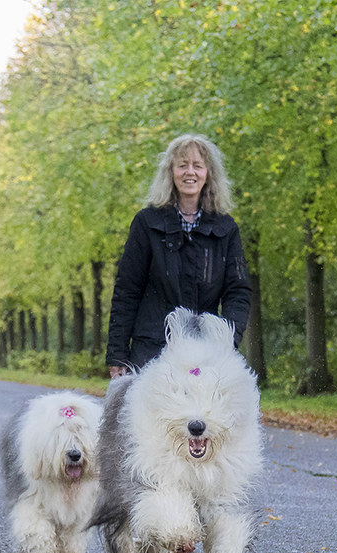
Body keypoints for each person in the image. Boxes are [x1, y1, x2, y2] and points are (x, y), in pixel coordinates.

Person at [106, 133, 252, 377]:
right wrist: (117, 354)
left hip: (206, 352)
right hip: (152, 350)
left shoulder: (226, 228)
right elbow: (127, 291)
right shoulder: (146, 223)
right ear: (171, 172)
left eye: (198, 165)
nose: (190, 172)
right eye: (182, 165)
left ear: (208, 174)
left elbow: (238, 291)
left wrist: (227, 339)